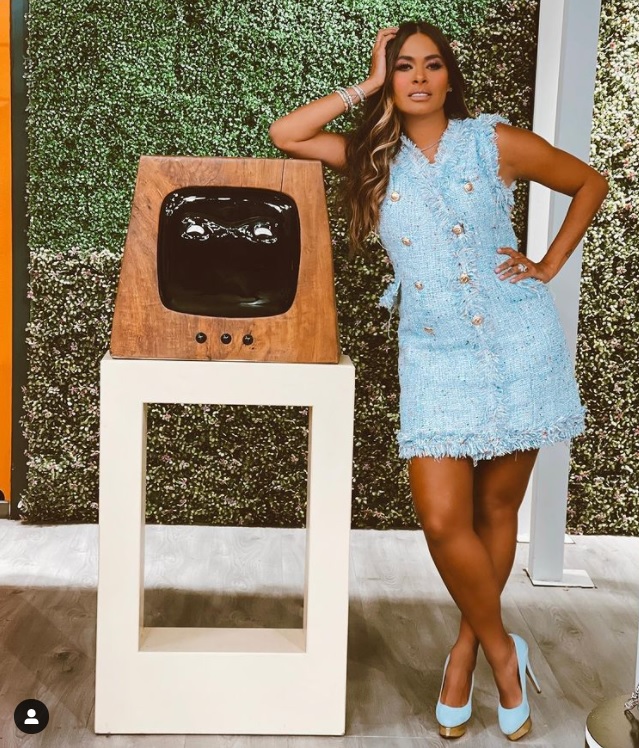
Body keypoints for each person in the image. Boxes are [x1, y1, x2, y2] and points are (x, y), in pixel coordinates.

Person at [269, 20, 608, 742]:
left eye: (430, 65)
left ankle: (466, 652)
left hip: (518, 343)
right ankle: (502, 649)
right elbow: (286, 133)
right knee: (442, 518)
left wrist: (547, 265)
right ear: (390, 80)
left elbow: (589, 182)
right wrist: (364, 84)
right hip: (432, 354)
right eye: (402, 67)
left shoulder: (493, 142)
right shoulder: (369, 154)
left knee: (496, 509)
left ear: (450, 77)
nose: (418, 78)